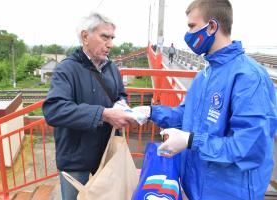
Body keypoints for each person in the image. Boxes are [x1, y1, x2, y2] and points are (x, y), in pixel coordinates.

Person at [134, 0, 277, 199]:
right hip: (197, 188)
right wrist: (151, 112)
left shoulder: (249, 77)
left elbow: (250, 146)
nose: (188, 34)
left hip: (230, 193)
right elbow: (186, 115)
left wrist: (191, 140)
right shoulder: (206, 74)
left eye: (192, 26)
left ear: (211, 26)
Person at [42, 12, 134, 200]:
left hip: (107, 153)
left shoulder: (112, 68)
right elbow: (54, 110)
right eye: (104, 37)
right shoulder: (66, 69)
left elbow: (121, 95)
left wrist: (122, 104)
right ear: (85, 37)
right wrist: (103, 114)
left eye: (112, 38)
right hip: (76, 158)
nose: (110, 44)